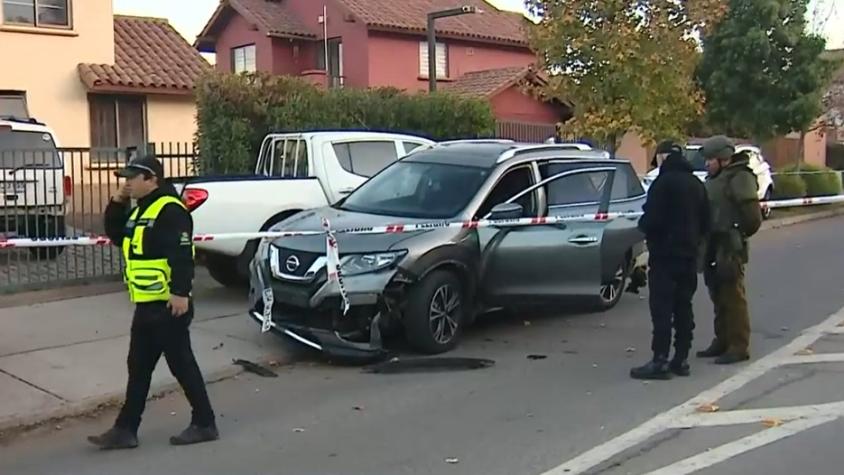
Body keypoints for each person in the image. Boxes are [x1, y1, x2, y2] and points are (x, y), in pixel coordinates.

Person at [88, 155, 218, 449]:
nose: (127, 183)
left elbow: (183, 253)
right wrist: (117, 202)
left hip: (169, 305)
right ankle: (125, 429)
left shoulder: (171, 210)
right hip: (147, 305)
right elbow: (117, 235)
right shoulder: (140, 211)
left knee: (181, 365)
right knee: (138, 366)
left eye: (132, 178)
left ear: (152, 179)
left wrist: (181, 293)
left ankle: (205, 422)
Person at [631, 140, 710, 380]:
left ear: (663, 157)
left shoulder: (662, 184)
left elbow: (651, 220)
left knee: (662, 309)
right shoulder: (697, 184)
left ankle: (660, 360)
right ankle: (681, 358)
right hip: (688, 256)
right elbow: (707, 220)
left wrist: (645, 229)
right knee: (684, 307)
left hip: (665, 256)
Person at [696, 136, 762, 365]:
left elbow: (753, 217)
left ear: (724, 159)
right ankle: (722, 339)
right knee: (717, 294)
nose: (706, 164)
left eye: (710, 159)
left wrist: (736, 234)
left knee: (733, 296)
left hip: (728, 245)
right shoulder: (717, 178)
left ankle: (738, 345)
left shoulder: (740, 177)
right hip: (713, 243)